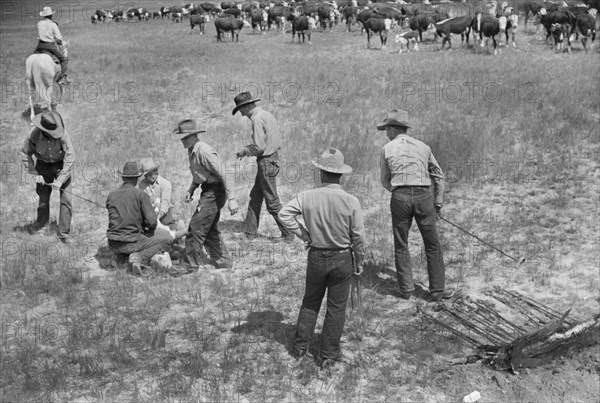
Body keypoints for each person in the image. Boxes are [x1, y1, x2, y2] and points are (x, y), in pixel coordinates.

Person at [279, 148, 366, 369]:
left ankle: (300, 347)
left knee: (310, 302)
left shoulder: (307, 196)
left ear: (321, 173)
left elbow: (284, 215)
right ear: (341, 174)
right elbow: (358, 236)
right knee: (336, 308)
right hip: (342, 257)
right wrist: (360, 260)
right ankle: (328, 354)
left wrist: (304, 234)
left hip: (317, 255)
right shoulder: (351, 200)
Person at [378, 109, 453, 302]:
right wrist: (437, 203)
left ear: (394, 129)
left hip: (400, 197)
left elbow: (385, 181)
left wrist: (399, 191)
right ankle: (437, 291)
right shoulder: (423, 147)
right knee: (432, 243)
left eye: (387, 129)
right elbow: (438, 176)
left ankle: (407, 290)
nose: (386, 133)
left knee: (401, 243)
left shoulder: (387, 149)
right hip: (423, 196)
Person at [173, 119, 239, 270]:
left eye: (184, 138)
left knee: (196, 228)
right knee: (208, 228)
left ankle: (188, 265)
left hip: (215, 191)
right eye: (181, 138)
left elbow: (225, 173)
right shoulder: (192, 150)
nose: (182, 141)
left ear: (193, 136)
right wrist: (191, 189)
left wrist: (232, 199)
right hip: (208, 189)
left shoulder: (204, 151)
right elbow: (200, 174)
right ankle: (223, 261)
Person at [232, 92, 293, 242]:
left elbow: (259, 147)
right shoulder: (267, 114)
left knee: (272, 202)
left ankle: (289, 233)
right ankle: (250, 232)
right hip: (272, 160)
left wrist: (245, 151)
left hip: (266, 162)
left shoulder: (256, 120)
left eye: (241, 110)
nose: (241, 114)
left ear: (247, 106)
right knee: (256, 196)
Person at [106, 161, 173, 275]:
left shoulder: (111, 195)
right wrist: (146, 226)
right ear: (137, 179)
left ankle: (120, 257)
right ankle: (138, 258)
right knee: (167, 238)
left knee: (128, 240)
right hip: (133, 241)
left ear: (123, 178)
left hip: (112, 243)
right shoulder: (140, 195)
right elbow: (152, 222)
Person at [20, 110, 75, 243]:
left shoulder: (63, 134)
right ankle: (42, 226)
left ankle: (64, 233)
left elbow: (70, 155)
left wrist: (61, 180)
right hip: (42, 166)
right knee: (43, 198)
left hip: (61, 166)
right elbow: (24, 152)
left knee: (66, 199)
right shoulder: (33, 135)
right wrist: (35, 173)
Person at [137, 158, 177, 229]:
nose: (149, 176)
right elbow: (142, 204)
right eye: (147, 175)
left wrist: (158, 218)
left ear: (156, 171)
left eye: (151, 173)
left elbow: (165, 203)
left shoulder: (165, 184)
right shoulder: (141, 185)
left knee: (171, 228)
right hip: (148, 214)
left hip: (164, 214)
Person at [35, 6, 70, 85]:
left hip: (40, 46)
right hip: (50, 46)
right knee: (64, 59)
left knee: (33, 59)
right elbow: (59, 38)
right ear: (51, 15)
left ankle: (29, 77)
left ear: (43, 15)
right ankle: (62, 78)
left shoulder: (39, 23)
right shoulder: (53, 24)